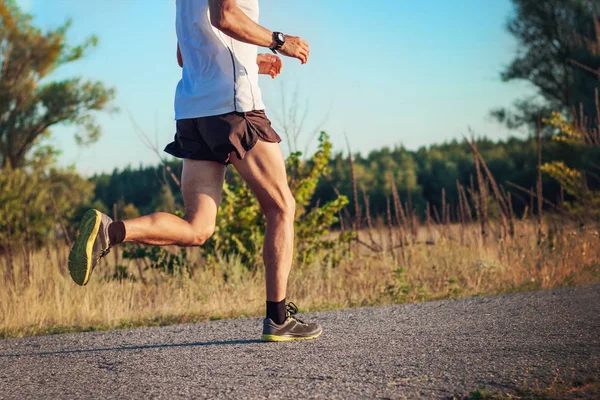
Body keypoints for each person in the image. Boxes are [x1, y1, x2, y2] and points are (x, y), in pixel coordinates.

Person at [68, 0, 322, 342]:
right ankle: (278, 318)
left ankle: (110, 231)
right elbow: (226, 16)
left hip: (194, 111)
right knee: (281, 207)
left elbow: (186, 54)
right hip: (234, 108)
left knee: (198, 227)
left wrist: (252, 60)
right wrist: (279, 41)